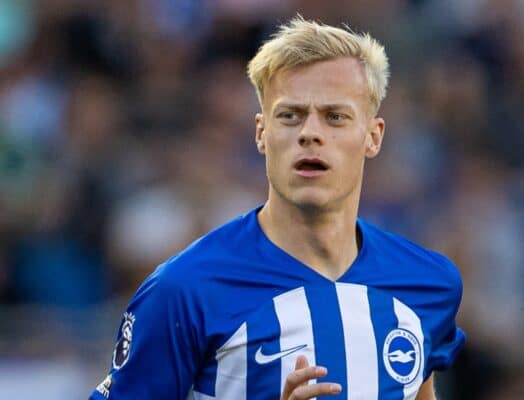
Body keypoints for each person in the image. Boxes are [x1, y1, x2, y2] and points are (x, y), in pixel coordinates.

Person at [90, 16, 465, 400]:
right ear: (261, 133)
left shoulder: (428, 283)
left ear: (373, 136)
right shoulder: (184, 290)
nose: (310, 133)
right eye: (290, 116)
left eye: (335, 117)